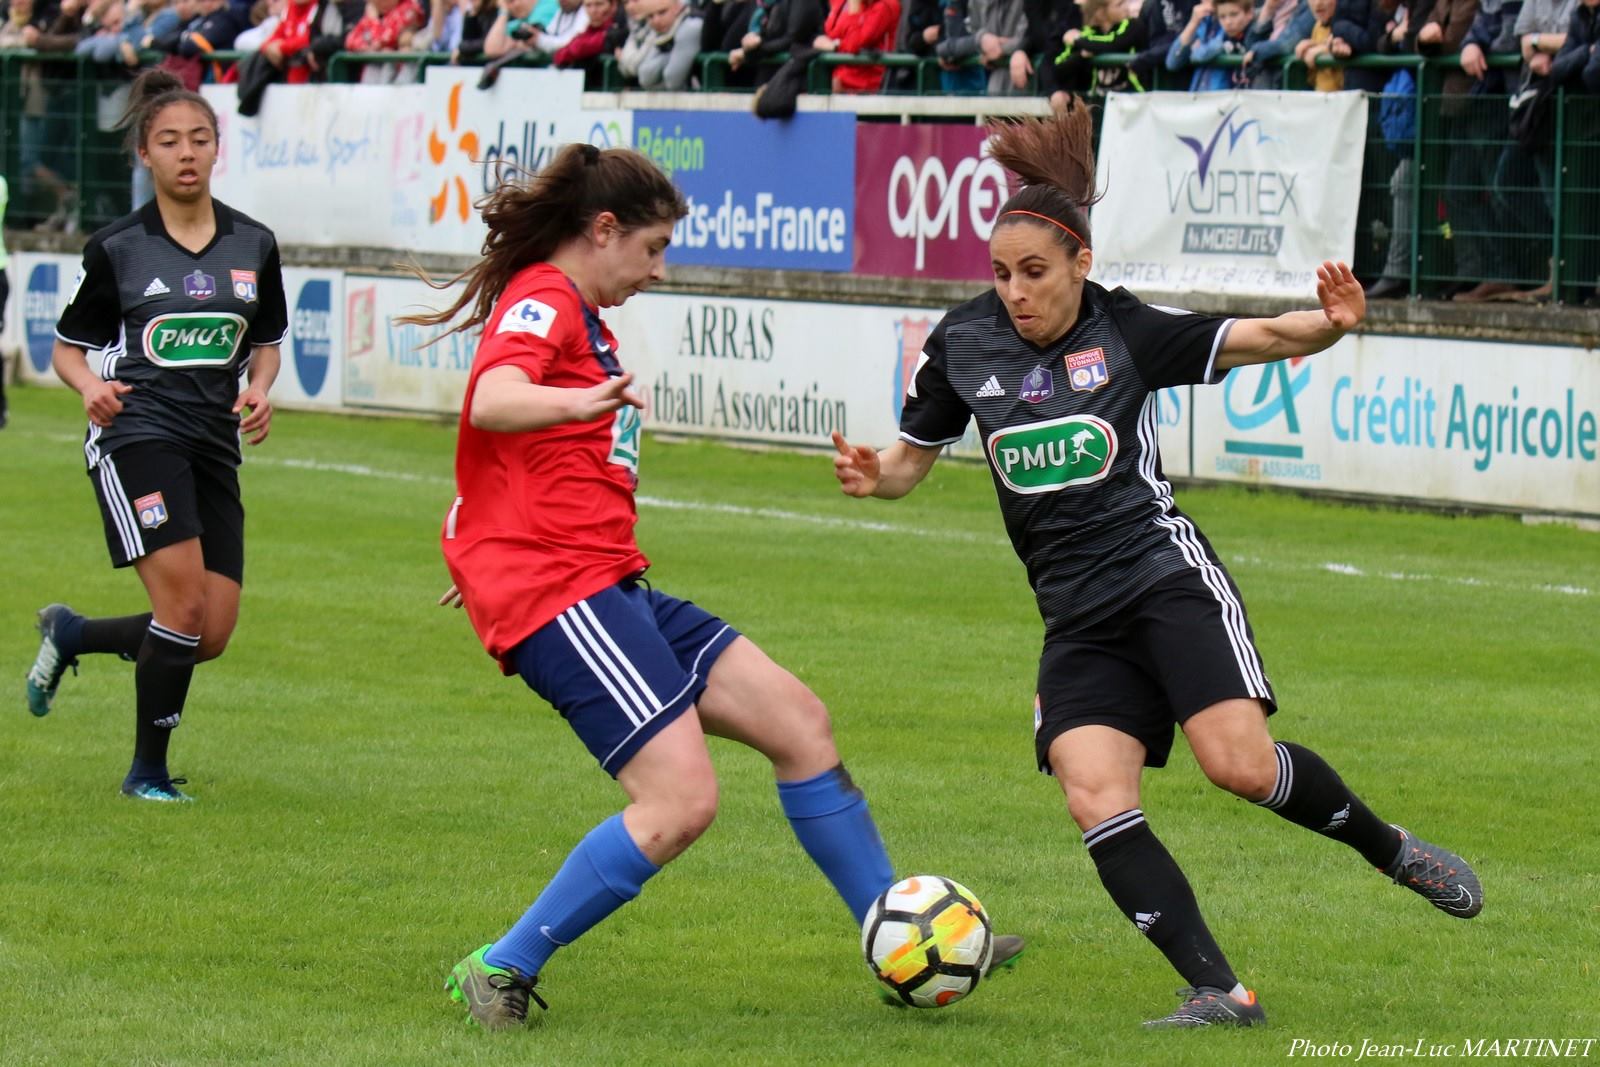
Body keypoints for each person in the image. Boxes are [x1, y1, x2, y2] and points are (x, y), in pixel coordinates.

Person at [830, 109, 1483, 1029]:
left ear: (1081, 264)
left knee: (1242, 769)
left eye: (1034, 273)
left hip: (1164, 579)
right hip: (1076, 617)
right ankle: (1221, 990)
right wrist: (876, 476)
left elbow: (1254, 338)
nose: (1015, 292)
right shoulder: (963, 343)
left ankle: (1392, 849)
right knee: (1092, 788)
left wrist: (1329, 327)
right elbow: (909, 463)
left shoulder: (1123, 329)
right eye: (1001, 275)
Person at [399, 143, 1021, 1029]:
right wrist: (573, 410)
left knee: (798, 723)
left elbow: (514, 466)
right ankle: (500, 965)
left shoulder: (577, 308)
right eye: (651, 249)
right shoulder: (546, 299)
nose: (658, 270)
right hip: (563, 594)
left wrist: (489, 543)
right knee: (681, 801)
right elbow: (495, 399)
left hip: (604, 582)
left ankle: (904, 934)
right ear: (603, 230)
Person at [24, 68, 287, 804]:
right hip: (136, 432)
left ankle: (71, 633)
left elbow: (265, 340)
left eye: (200, 139)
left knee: (211, 631)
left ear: (217, 148)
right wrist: (90, 388)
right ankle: (147, 773)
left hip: (212, 441)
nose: (186, 153)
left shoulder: (254, 243)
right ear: (145, 153)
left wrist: (260, 388)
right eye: (169, 140)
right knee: (183, 611)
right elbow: (67, 348)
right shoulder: (119, 247)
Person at [1166, 0, 1253, 89]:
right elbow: (1173, 62)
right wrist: (1193, 23)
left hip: (1226, 97)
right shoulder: (1204, 20)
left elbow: (1200, 53)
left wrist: (1198, 50)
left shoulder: (1234, 17)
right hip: (1199, 97)